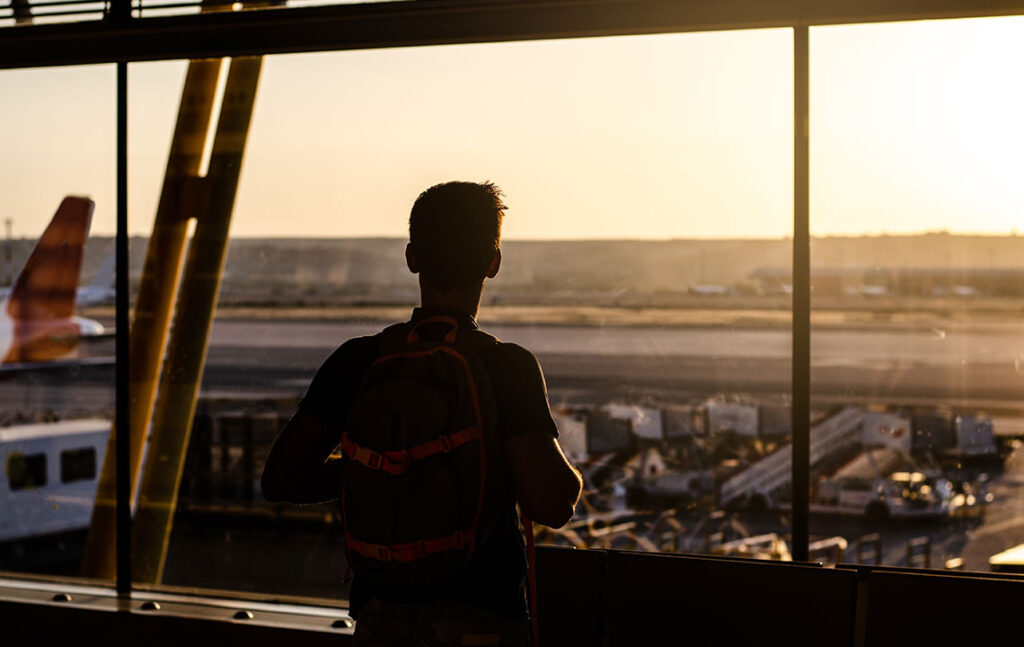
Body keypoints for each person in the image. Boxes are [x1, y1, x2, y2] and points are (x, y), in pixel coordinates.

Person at [261, 180, 583, 646]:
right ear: (493, 263)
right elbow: (553, 504)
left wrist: (380, 466)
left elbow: (281, 479)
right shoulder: (507, 366)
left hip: (380, 618)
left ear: (412, 257)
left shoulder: (357, 360)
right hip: (481, 615)